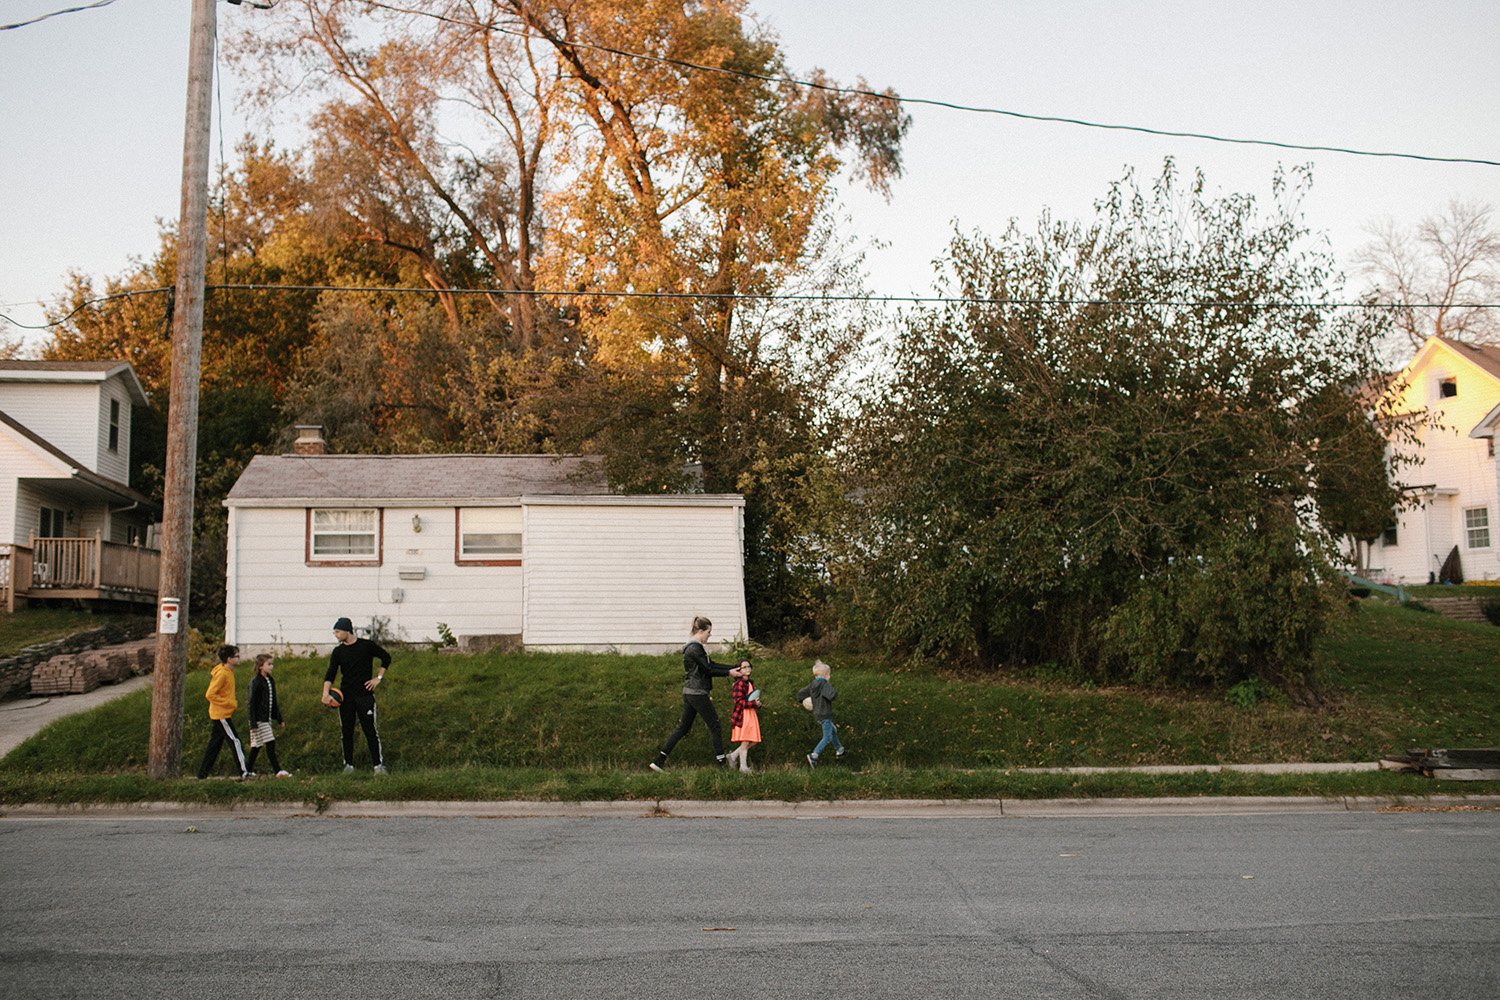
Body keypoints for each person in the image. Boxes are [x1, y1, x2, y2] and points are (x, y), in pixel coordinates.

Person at [649, 616, 748, 771]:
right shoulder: (694, 648)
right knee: (714, 725)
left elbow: (711, 665)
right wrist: (728, 673)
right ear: (701, 631)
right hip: (697, 693)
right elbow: (708, 670)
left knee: (683, 727)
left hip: (690, 692)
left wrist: (732, 669)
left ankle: (658, 761)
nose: (710, 635)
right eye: (709, 631)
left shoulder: (696, 648)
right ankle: (722, 764)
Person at [322, 617, 391, 774]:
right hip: (346, 698)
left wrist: (378, 678)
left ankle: (378, 766)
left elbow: (386, 658)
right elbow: (330, 673)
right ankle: (349, 766)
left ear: (347, 630)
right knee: (346, 731)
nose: (336, 635)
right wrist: (325, 693)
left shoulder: (366, 646)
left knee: (370, 730)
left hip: (365, 696)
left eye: (338, 631)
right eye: (335, 632)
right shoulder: (338, 651)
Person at [195, 644, 250, 780]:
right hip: (221, 715)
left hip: (221, 714)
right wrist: (230, 703)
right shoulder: (222, 674)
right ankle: (244, 772)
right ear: (229, 659)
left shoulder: (228, 672)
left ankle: (202, 774)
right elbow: (210, 694)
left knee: (214, 745)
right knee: (235, 741)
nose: (239, 659)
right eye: (237, 656)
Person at [246, 653, 291, 778]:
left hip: (267, 718)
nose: (272, 666)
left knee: (257, 746)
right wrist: (253, 723)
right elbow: (251, 703)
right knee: (270, 743)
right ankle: (278, 771)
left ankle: (247, 770)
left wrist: (279, 718)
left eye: (272, 664)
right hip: (259, 720)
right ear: (261, 666)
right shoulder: (256, 682)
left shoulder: (270, 680)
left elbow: (273, 701)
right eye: (269, 664)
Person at [797, 659, 844, 767]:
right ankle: (814, 755)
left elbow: (801, 693)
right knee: (827, 737)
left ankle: (839, 749)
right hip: (825, 714)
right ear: (826, 675)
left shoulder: (812, 684)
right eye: (829, 674)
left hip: (817, 714)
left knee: (833, 730)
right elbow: (832, 695)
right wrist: (830, 686)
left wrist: (802, 700)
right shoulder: (824, 684)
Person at [726, 661, 762, 773]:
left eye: (749, 666)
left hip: (751, 713)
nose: (748, 668)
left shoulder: (749, 683)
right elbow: (739, 702)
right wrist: (753, 704)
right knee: (746, 740)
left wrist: (757, 704)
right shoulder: (739, 684)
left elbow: (751, 699)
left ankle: (733, 756)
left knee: (754, 740)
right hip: (743, 715)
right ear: (738, 670)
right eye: (744, 667)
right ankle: (743, 767)